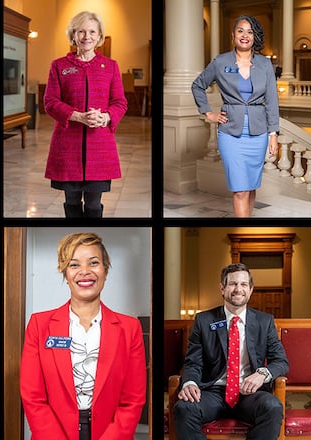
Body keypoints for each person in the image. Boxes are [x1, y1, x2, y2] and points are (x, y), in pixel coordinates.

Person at [20, 232, 146, 440]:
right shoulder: (39, 325)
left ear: (105, 269)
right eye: (74, 265)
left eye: (94, 263)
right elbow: (32, 396)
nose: (85, 272)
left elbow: (133, 399)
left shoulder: (129, 328)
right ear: (65, 273)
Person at [173, 263, 288, 439]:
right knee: (184, 408)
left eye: (243, 284)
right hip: (212, 392)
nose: (238, 289)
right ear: (222, 288)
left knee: (273, 407)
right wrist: (190, 383)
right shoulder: (204, 320)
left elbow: (281, 361)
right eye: (233, 284)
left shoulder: (264, 322)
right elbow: (193, 361)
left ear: (250, 290)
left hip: (250, 393)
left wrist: (262, 374)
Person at [191, 16, 279, 218]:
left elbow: (272, 100)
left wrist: (273, 134)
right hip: (230, 132)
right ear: (233, 36)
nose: (245, 35)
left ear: (254, 37)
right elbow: (197, 85)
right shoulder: (220, 62)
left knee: (251, 185)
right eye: (240, 30)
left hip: (258, 132)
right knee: (240, 190)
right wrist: (208, 113)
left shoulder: (265, 64)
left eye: (250, 31)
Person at [42, 12, 127, 218]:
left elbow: (120, 102)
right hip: (67, 145)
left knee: (93, 204)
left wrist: (105, 117)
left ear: (99, 37)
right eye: (81, 31)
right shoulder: (59, 66)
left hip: (100, 145)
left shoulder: (111, 66)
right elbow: (50, 102)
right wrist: (78, 116)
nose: (86, 36)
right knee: (71, 202)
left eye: (92, 32)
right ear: (73, 35)